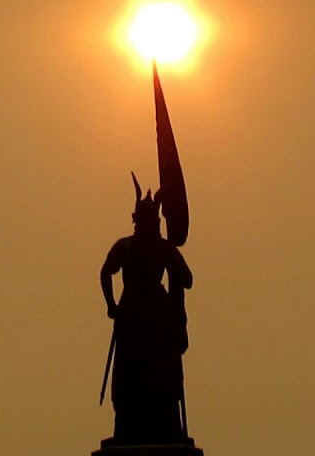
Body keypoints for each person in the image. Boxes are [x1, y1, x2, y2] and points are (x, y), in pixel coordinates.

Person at [100, 174, 193, 445]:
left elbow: (186, 280)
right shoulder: (148, 247)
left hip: (143, 317)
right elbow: (105, 273)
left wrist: (113, 306)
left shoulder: (142, 247)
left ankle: (158, 426)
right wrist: (112, 305)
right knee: (134, 374)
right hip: (141, 318)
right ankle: (135, 427)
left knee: (155, 374)